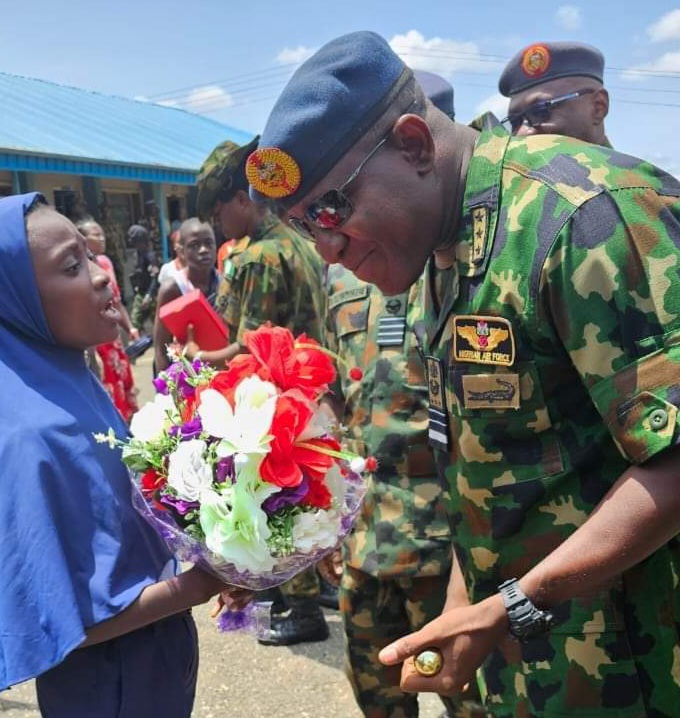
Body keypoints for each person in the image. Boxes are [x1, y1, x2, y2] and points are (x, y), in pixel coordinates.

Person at [248, 31, 680, 717]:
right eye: (306, 229)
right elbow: (484, 465)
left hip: (641, 669)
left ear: (415, 144)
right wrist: (462, 602)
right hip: (534, 672)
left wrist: (511, 605)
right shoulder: (442, 251)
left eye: (332, 210)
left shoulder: (581, 213)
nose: (327, 248)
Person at [0, 193, 248, 717]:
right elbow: (61, 623)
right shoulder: (29, 435)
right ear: (14, 297)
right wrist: (205, 581)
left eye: (91, 258)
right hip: (108, 687)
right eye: (72, 266)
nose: (99, 276)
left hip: (150, 662)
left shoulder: (68, 382)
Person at [322, 72, 480, 718]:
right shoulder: (346, 280)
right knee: (379, 704)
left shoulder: (466, 273)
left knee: (472, 706)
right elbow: (336, 401)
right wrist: (328, 518)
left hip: (451, 555)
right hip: (367, 546)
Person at [191, 136, 330, 647]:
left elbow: (246, 347)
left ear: (243, 199)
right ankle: (313, 587)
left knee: (281, 500)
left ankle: (301, 604)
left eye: (219, 211)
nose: (217, 224)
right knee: (313, 494)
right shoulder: (300, 240)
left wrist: (205, 364)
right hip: (311, 389)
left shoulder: (258, 258)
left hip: (273, 402)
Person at [76, 218, 140, 422]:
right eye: (96, 234)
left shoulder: (105, 263)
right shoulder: (77, 268)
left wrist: (130, 327)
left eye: (102, 233)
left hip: (113, 338)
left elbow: (116, 300)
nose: (102, 238)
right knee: (106, 387)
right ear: (82, 238)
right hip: (96, 341)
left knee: (122, 382)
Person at [498, 41, 611, 146]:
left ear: (598, 106)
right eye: (514, 122)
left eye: (540, 112)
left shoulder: (626, 168)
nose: (521, 133)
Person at [153, 217, 220, 372]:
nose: (203, 250)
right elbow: (161, 345)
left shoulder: (224, 283)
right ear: (181, 252)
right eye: (194, 245)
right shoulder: (172, 289)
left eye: (209, 243)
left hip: (220, 368)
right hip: (186, 374)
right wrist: (166, 389)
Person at [128, 223, 159, 333]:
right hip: (140, 294)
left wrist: (149, 296)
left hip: (151, 295)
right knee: (135, 322)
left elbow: (155, 277)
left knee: (158, 324)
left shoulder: (150, 256)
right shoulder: (137, 255)